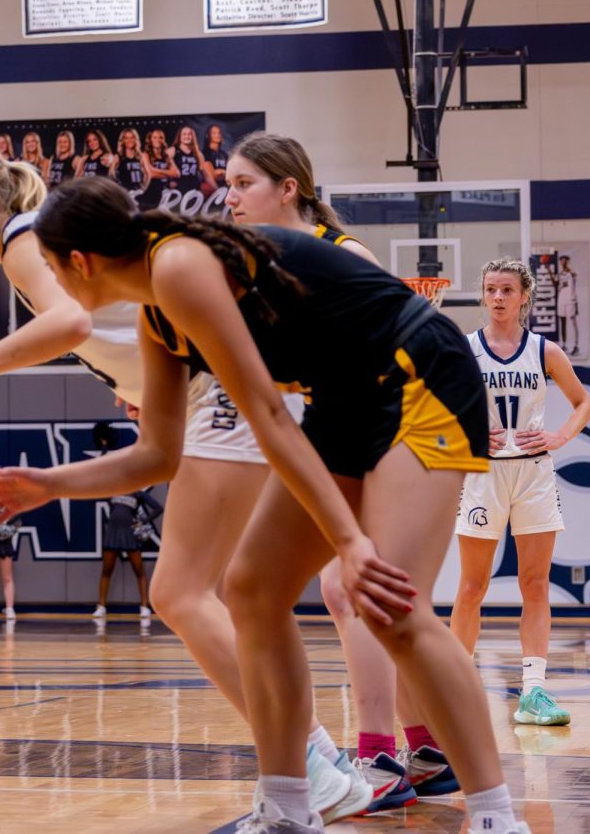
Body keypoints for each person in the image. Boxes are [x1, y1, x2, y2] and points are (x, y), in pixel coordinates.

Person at [0, 176, 528, 834]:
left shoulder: (178, 265)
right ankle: (288, 807)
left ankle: (496, 818)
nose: (51, 286)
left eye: (53, 270)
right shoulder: (158, 312)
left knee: (390, 603)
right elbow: (159, 455)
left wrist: (348, 542)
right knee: (253, 589)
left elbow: (266, 415)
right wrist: (50, 483)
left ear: (78, 263)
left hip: (419, 369)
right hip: (345, 397)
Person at [0, 134, 370, 825]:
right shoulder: (26, 247)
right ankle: (318, 763)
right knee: (234, 595)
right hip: (212, 393)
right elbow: (119, 335)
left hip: (226, 393)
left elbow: (72, 320)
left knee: (185, 592)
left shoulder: (24, 241)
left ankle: (305, 763)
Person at [226, 132, 448, 807]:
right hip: (355, 419)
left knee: (359, 589)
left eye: (242, 184)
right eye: (227, 185)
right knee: (365, 592)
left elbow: (391, 353)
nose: (228, 198)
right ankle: (427, 747)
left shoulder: (343, 254)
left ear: (288, 188)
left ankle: (380, 758)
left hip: (403, 414)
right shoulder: (270, 263)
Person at [450, 258, 590, 728]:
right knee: (472, 586)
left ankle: (533, 692)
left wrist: (559, 437)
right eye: (490, 289)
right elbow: (435, 408)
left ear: (524, 295)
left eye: (506, 290)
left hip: (533, 473)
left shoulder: (544, 351)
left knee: (535, 583)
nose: (496, 298)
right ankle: (456, 686)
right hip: (482, 474)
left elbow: (582, 403)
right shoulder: (464, 349)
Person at [92, 489, 162, 621]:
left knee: (139, 571)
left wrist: (143, 521)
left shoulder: (137, 493)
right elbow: (95, 494)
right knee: (106, 571)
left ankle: (144, 606)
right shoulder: (113, 489)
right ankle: (101, 607)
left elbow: (158, 508)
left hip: (129, 534)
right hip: (112, 533)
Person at [167, 125, 216, 195]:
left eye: (189, 134)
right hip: (177, 188)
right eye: (184, 134)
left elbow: (206, 175)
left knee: (208, 189)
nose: (187, 136)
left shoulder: (198, 154)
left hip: (194, 188)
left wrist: (217, 189)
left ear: (193, 136)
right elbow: (164, 169)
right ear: (179, 136)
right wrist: (169, 182)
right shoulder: (172, 150)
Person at [555, 255, 579, 355]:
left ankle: (575, 345)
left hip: (571, 299)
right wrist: (548, 271)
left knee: (573, 322)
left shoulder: (571, 272)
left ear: (567, 261)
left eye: (565, 260)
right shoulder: (559, 274)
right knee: (562, 321)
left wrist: (567, 268)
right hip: (562, 299)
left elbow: (573, 276)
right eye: (561, 261)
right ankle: (564, 344)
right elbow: (555, 284)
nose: (563, 262)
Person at [114, 128, 147, 194]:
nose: (129, 140)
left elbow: (147, 174)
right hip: (125, 193)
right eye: (126, 138)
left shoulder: (140, 156)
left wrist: (143, 189)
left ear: (136, 139)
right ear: (122, 140)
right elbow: (111, 175)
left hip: (138, 192)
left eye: (132, 137)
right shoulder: (118, 156)